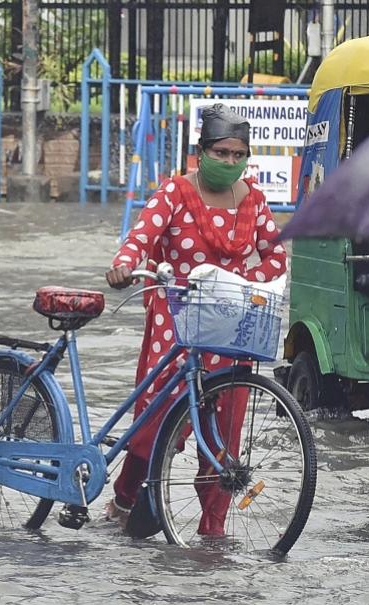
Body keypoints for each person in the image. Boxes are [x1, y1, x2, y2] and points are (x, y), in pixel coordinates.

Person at [104, 103, 288, 535]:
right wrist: (123, 264)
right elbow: (140, 238)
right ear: (201, 152)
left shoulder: (254, 200)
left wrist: (239, 281)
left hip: (232, 325)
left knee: (225, 431)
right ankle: (125, 498)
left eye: (238, 155)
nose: (229, 161)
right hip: (176, 322)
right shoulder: (174, 192)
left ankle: (213, 529)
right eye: (221, 153)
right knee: (155, 422)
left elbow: (276, 258)